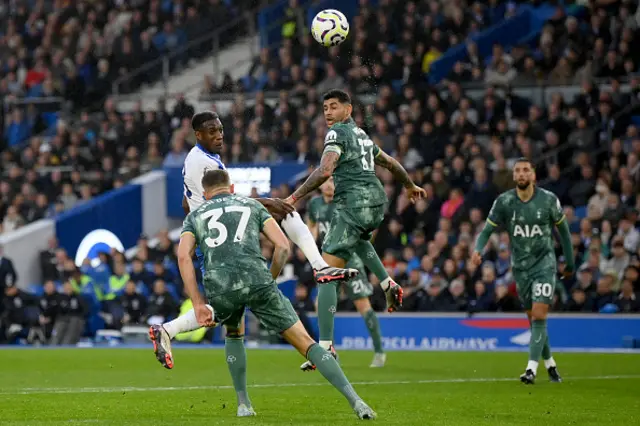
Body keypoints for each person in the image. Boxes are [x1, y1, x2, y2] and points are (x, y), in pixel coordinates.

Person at [149, 111, 356, 369]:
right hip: (217, 236)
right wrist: (268, 202)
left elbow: (186, 199)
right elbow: (223, 200)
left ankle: (167, 330)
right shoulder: (206, 163)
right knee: (286, 213)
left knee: (222, 308)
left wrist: (195, 213)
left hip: (210, 233)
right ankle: (320, 268)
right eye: (212, 131)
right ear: (198, 135)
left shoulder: (197, 158)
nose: (219, 135)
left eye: (221, 129)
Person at [177, 169, 376, 419]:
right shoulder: (251, 205)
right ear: (232, 188)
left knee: (234, 333)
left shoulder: (194, 216)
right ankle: (357, 402)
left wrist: (197, 303)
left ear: (204, 194)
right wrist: (269, 278)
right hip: (258, 280)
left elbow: (183, 256)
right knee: (307, 344)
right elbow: (283, 246)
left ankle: (243, 404)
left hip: (221, 286)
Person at [283, 89, 426, 370]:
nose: (327, 112)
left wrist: (292, 198)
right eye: (324, 107)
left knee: (325, 274)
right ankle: (386, 282)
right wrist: (408, 185)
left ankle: (325, 348)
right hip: (375, 203)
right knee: (356, 240)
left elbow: (325, 170)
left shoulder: (336, 134)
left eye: (334, 107)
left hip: (354, 204)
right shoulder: (362, 135)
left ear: (348, 110)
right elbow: (391, 163)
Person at [472, 158, 575, 384]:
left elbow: (565, 234)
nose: (521, 174)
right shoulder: (505, 202)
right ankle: (551, 365)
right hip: (520, 268)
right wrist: (478, 249)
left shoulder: (548, 200)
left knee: (539, 315)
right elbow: (486, 230)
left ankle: (530, 369)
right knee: (533, 319)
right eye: (517, 170)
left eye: (526, 170)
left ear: (533, 175)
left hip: (544, 265)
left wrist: (570, 263)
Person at [307, 177, 385, 367]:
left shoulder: (346, 202)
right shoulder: (314, 204)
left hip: (351, 261)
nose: (328, 185)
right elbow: (311, 227)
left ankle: (379, 351)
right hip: (328, 261)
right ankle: (330, 350)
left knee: (363, 306)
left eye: (332, 181)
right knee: (321, 305)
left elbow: (365, 232)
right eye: (325, 181)